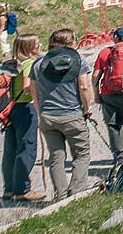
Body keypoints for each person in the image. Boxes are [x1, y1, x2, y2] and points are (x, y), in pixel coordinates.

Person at [30, 28, 95, 200]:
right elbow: (84, 87)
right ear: (70, 43)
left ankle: (61, 193)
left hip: (47, 116)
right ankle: (76, 193)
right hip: (72, 113)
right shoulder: (78, 61)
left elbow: (33, 91)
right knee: (81, 154)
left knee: (56, 157)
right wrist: (87, 107)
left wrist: (39, 110)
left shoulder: (38, 64)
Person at [1, 34, 45, 202]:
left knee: (10, 149)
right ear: (29, 47)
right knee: (27, 148)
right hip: (25, 106)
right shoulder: (28, 64)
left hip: (10, 108)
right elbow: (27, 87)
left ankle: (9, 188)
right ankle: (22, 189)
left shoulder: (10, 64)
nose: (40, 44)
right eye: (36, 43)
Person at [93, 26, 123, 163]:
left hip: (109, 93)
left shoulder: (105, 52)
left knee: (113, 125)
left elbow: (95, 76)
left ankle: (121, 156)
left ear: (115, 38)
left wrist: (96, 94)